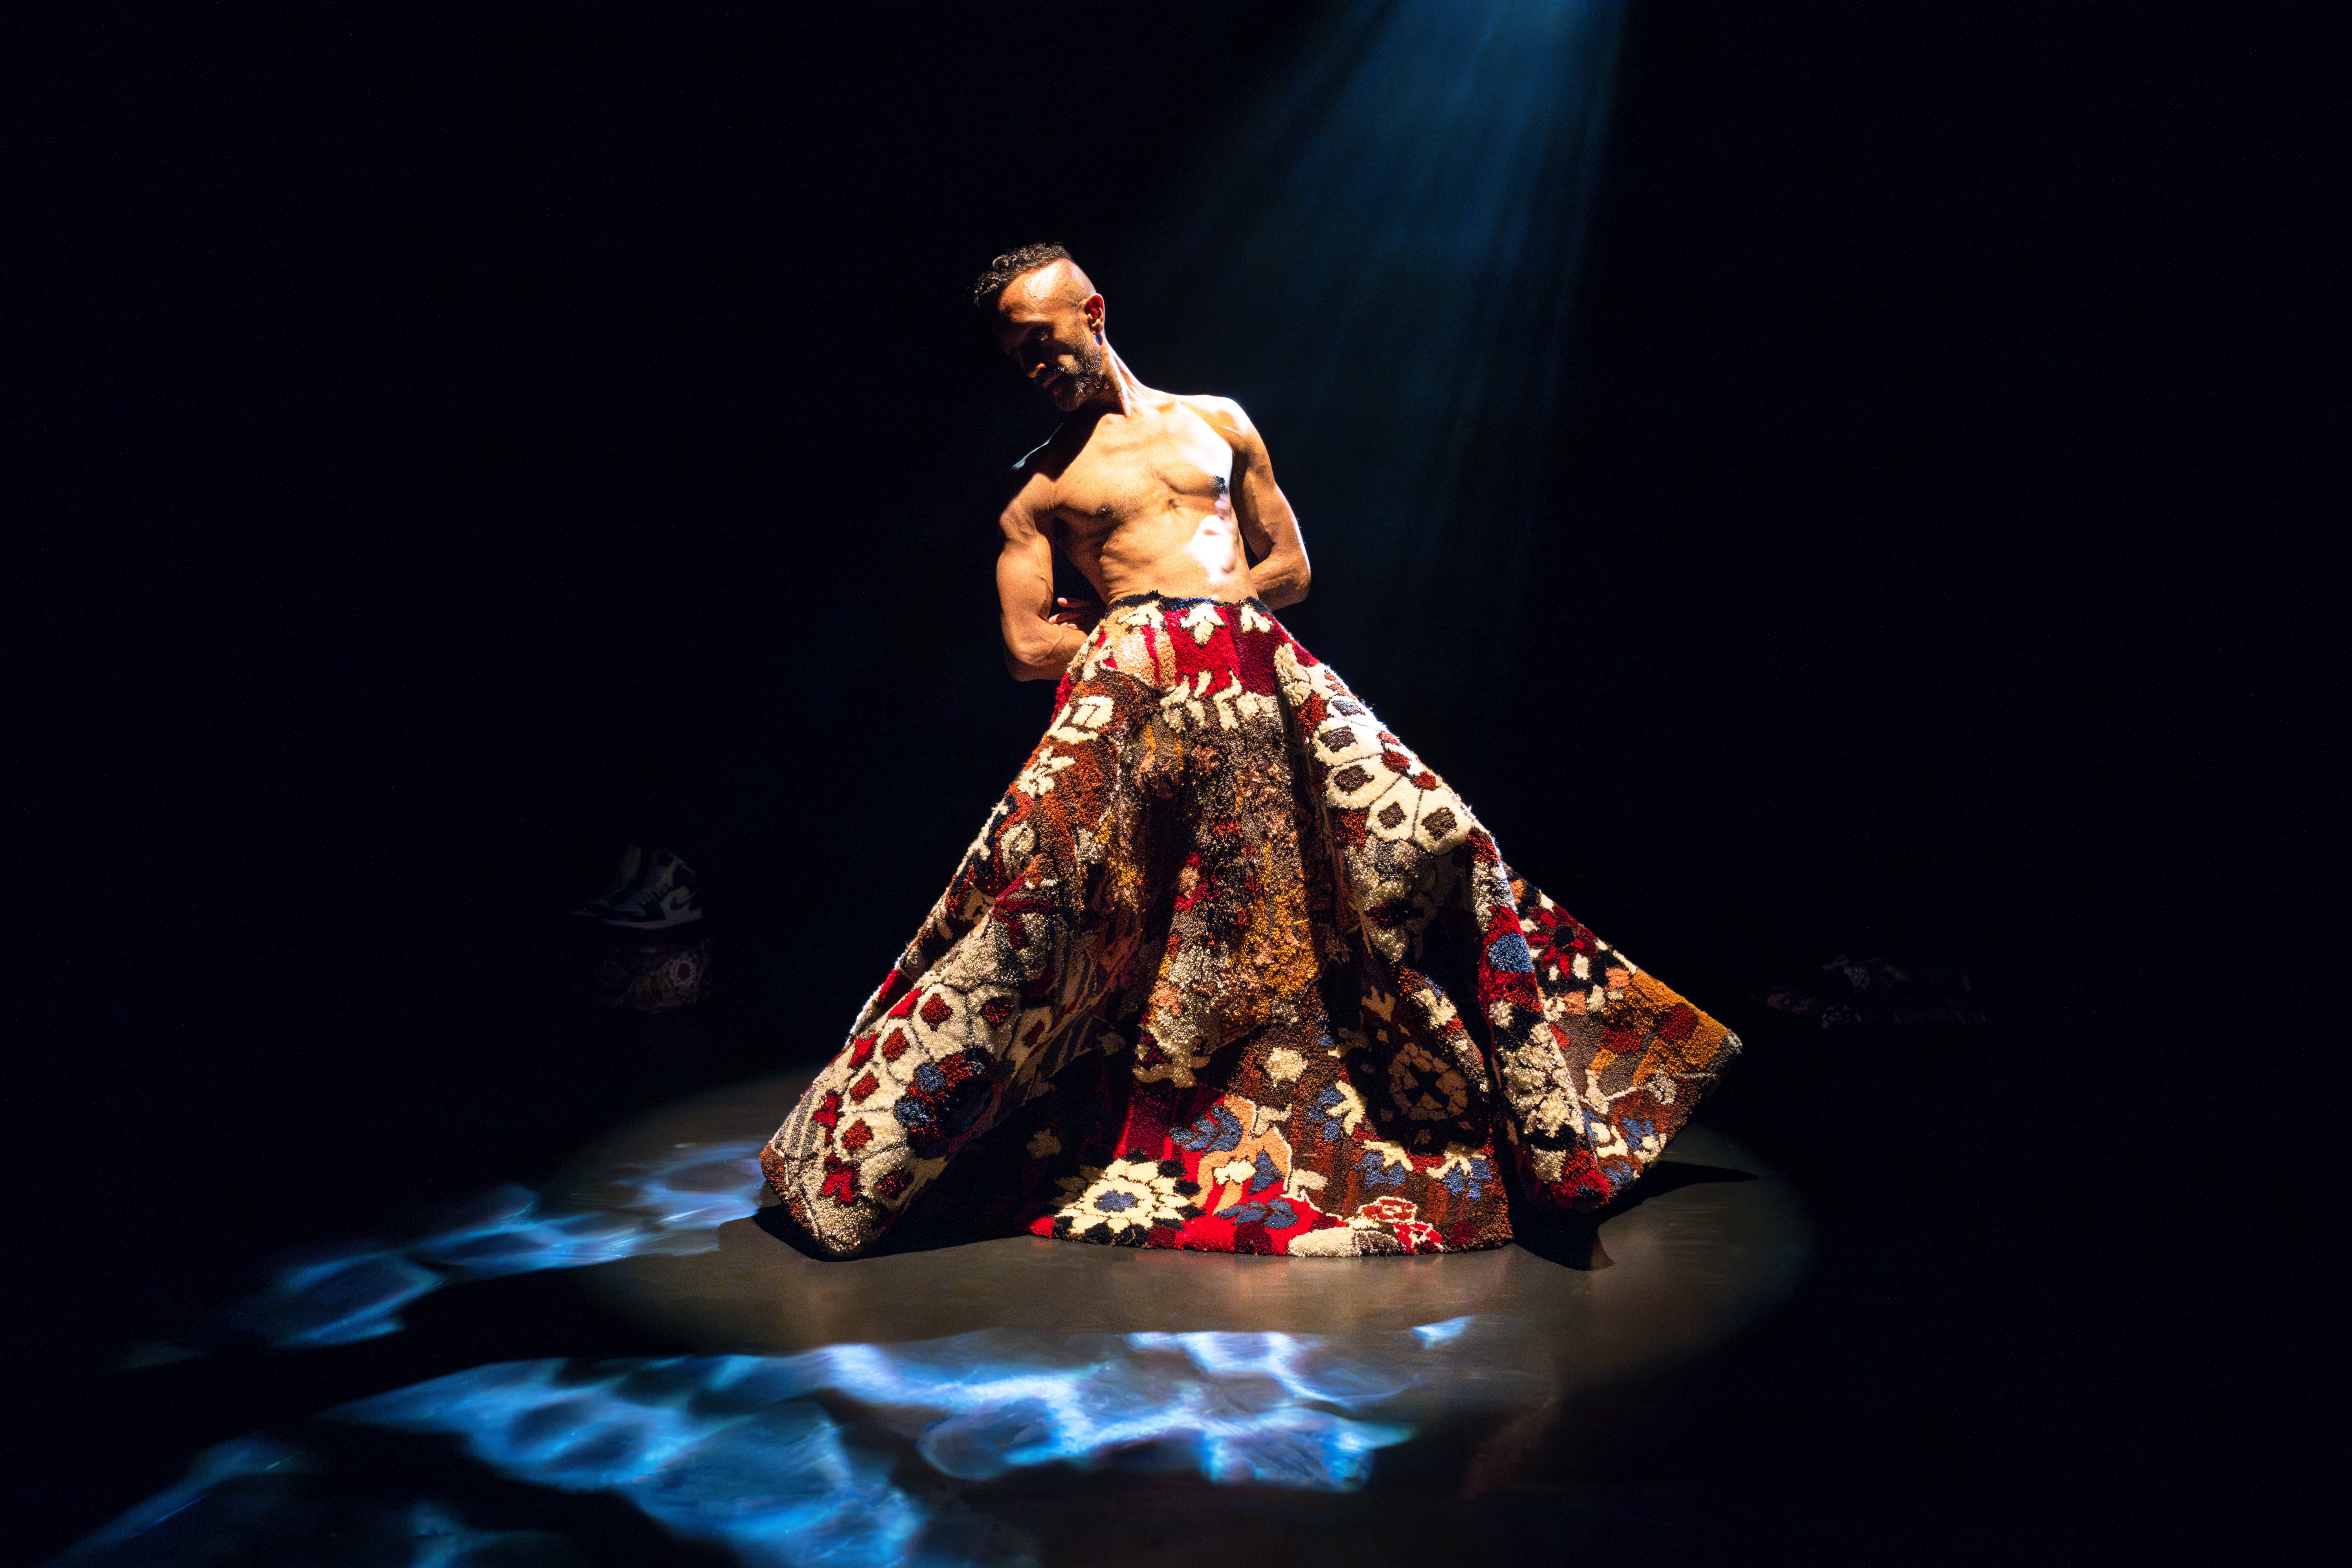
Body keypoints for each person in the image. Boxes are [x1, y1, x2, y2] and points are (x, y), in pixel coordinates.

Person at [760, 245, 1738, 1258]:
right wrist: (1136, 624)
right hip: (1136, 697)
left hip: (1263, 679)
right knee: (1039, 900)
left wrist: (1202, 605)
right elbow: (1024, 647)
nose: (1041, 371)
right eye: (1021, 361)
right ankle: (864, 1157)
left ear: (1093, 311)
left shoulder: (1219, 422)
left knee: (1437, 834)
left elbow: (1292, 567)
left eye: (1048, 344)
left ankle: (1562, 1118)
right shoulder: (1040, 488)